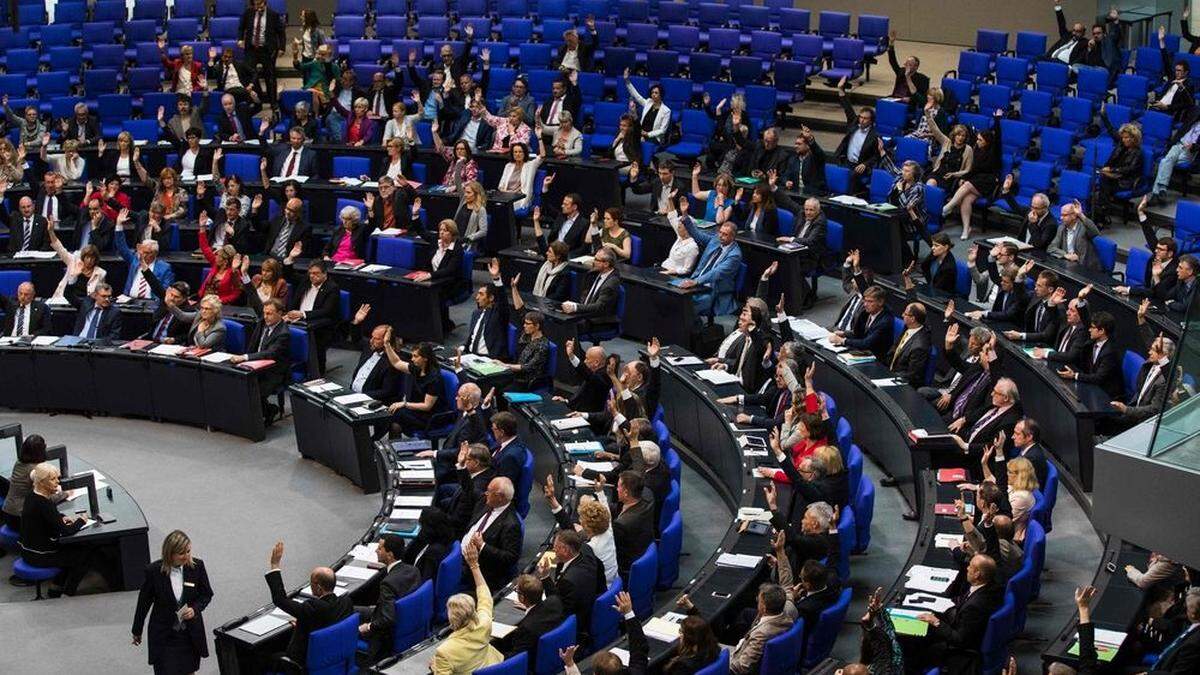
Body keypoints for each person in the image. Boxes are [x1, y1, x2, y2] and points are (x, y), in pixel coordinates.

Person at [131, 530, 214, 675]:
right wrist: (137, 630)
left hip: (189, 635)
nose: (187, 556)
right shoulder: (154, 572)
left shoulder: (197, 567)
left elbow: (206, 594)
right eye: (182, 553)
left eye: (188, 551)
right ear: (170, 554)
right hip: (164, 636)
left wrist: (195, 609)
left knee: (189, 671)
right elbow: (143, 603)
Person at [264, 541, 353, 668]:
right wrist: (303, 623)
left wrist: (275, 565)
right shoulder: (345, 602)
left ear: (319, 587)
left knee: (267, 656)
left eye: (311, 582)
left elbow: (280, 600)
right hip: (335, 657)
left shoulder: (312, 608)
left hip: (305, 661)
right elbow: (328, 621)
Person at [913, 554, 1005, 673]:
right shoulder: (992, 588)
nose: (967, 568)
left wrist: (935, 622)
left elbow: (959, 640)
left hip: (960, 651)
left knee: (918, 645)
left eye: (970, 567)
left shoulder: (975, 606)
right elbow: (963, 599)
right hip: (970, 632)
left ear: (977, 574)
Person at [19, 462, 93, 596]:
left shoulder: (31, 496)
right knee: (84, 554)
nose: (57, 482)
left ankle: (56, 587)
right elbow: (65, 531)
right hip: (41, 555)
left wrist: (61, 517)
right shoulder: (45, 504)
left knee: (72, 550)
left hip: (27, 551)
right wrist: (81, 520)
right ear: (42, 482)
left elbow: (48, 518)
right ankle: (68, 592)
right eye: (52, 479)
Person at [432, 539, 503, 674]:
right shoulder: (484, 623)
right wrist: (474, 565)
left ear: (453, 620)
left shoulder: (445, 651)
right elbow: (485, 596)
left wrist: (435, 667)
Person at [356, 534, 421, 663]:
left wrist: (368, 626)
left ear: (390, 555)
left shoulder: (387, 583)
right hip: (408, 622)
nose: (376, 551)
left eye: (380, 549)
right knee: (352, 609)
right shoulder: (413, 570)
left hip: (384, 635)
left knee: (347, 616)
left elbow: (387, 619)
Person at [231, 290, 291, 424]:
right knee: (235, 382)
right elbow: (253, 346)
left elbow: (270, 354)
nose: (266, 316)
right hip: (255, 365)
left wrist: (245, 357)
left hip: (273, 371)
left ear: (280, 314)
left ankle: (269, 410)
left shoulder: (283, 333)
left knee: (254, 389)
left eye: (269, 313)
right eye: (264, 313)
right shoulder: (262, 323)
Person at [537, 529, 605, 646]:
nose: (553, 550)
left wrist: (545, 577)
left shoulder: (569, 581)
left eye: (556, 547)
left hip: (575, 626)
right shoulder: (585, 550)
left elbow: (556, 606)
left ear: (565, 550)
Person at [944, 110, 1004, 239]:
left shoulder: (995, 151)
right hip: (976, 181)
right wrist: (964, 177)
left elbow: (998, 137)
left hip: (989, 182)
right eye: (977, 139)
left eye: (980, 140)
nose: (977, 142)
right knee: (966, 200)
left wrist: (997, 120)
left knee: (966, 185)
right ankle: (966, 229)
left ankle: (948, 207)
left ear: (987, 141)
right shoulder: (976, 150)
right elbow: (973, 170)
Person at [461, 476, 523, 590]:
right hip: (461, 554)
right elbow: (469, 489)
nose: (486, 493)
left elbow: (510, 558)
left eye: (489, 491)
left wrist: (483, 546)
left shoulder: (511, 524)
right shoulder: (487, 503)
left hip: (477, 569)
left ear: (499, 497)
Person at [492, 574, 566, 666]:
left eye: (516, 591)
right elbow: (551, 597)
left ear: (522, 598)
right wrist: (528, 608)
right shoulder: (554, 602)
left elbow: (517, 658)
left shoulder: (526, 628)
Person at [679, 220, 743, 318]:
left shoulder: (735, 255)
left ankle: (694, 328)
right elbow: (698, 235)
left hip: (713, 291)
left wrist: (696, 282)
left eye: (725, 234)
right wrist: (686, 218)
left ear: (733, 237)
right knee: (674, 296)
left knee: (686, 305)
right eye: (720, 232)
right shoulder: (715, 240)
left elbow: (717, 273)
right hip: (697, 282)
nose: (720, 236)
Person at [383, 339, 446, 437]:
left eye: (416, 356)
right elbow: (396, 363)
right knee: (395, 424)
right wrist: (387, 345)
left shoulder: (434, 378)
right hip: (415, 411)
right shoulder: (417, 368)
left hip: (429, 417)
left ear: (425, 358)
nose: (412, 359)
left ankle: (373, 440)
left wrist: (404, 404)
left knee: (394, 413)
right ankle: (390, 449)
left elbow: (427, 406)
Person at [949, 378, 1023, 461]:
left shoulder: (1010, 421)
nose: (991, 394)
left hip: (974, 456)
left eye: (995, 392)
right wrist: (963, 420)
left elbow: (994, 447)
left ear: (1006, 398)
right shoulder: (996, 404)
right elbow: (979, 413)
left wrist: (965, 446)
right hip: (964, 437)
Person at [729, 584, 793, 675]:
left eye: (758, 600)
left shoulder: (761, 634)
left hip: (735, 662)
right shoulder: (787, 618)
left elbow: (742, 667)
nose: (757, 602)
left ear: (764, 607)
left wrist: (720, 666)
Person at [600, 470, 655, 575]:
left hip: (624, 563)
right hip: (640, 546)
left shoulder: (622, 524)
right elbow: (618, 508)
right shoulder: (647, 495)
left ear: (626, 493)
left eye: (618, 486)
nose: (616, 489)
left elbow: (607, 542)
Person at [1057, 310, 1123, 398]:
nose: (1089, 330)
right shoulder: (1092, 342)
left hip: (1106, 394)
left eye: (1092, 327)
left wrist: (1074, 375)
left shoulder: (1110, 352)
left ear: (1101, 331)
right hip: (1093, 386)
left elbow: (1098, 378)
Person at [1094, 116, 1144, 226]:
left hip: (1125, 180)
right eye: (1123, 137)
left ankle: (1101, 214)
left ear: (1134, 139)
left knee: (1104, 182)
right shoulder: (1121, 146)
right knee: (1102, 180)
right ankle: (1101, 213)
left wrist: (1111, 169)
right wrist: (1104, 116)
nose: (1125, 140)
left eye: (1128, 138)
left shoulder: (1137, 153)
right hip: (1114, 176)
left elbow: (1129, 169)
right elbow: (1112, 131)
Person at [562, 248, 622, 332]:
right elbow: (585, 295)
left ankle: (573, 345)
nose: (593, 261)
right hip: (587, 314)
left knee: (567, 328)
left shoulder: (611, 283)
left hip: (599, 321)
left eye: (596, 259)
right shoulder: (594, 273)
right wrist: (577, 306)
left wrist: (576, 307)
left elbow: (599, 307)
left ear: (606, 264)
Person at [1, 435, 54, 528]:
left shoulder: (18, 463)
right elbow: (45, 497)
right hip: (21, 517)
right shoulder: (37, 470)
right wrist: (66, 494)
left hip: (7, 512)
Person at [829, 286, 894, 361]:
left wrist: (842, 341)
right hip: (864, 351)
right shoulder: (866, 313)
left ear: (880, 302)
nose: (865, 304)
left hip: (876, 357)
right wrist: (844, 333)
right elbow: (860, 333)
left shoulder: (885, 321)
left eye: (870, 301)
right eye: (865, 301)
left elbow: (866, 343)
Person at [833, 78, 882, 178]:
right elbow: (847, 107)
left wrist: (865, 164)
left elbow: (876, 155)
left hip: (859, 167)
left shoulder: (875, 135)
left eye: (865, 118)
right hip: (845, 162)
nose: (862, 120)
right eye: (861, 117)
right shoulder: (854, 123)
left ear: (871, 120)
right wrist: (840, 89)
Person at [239, 0, 285, 101]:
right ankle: (256, 98)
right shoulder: (248, 13)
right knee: (249, 74)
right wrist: (240, 39)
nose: (257, 7)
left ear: (265, 3)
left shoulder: (273, 15)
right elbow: (241, 28)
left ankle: (273, 101)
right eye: (255, 4)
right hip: (252, 49)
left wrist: (282, 47)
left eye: (259, 4)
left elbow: (281, 32)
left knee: (270, 76)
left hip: (267, 50)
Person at [997, 176, 1056, 250]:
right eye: (1032, 206)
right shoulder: (1030, 211)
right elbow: (1015, 207)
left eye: (1036, 208)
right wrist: (1006, 190)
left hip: (1035, 253)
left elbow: (1039, 244)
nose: (1033, 210)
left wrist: (1034, 224)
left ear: (1046, 208)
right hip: (1022, 247)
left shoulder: (1051, 224)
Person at [706, 95, 756, 175]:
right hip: (726, 139)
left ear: (737, 103)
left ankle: (722, 171)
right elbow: (716, 117)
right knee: (711, 151)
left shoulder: (744, 116)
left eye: (732, 101)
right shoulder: (729, 112)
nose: (731, 103)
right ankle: (713, 171)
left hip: (735, 143)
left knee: (714, 147)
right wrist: (707, 106)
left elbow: (744, 134)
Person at [534, 182, 588, 255]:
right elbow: (547, 206)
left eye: (566, 204)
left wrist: (569, 256)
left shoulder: (583, 224)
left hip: (567, 254)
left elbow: (583, 248)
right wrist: (545, 187)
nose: (562, 206)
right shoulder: (561, 216)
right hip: (552, 250)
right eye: (563, 203)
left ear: (574, 207)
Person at [885, 302, 932, 385]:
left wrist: (887, 378)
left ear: (913, 319)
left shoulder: (919, 346)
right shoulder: (910, 327)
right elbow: (921, 314)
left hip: (900, 382)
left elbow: (912, 376)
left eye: (905, 314)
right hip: (888, 369)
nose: (902, 315)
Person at [403, 508, 456, 582]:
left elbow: (424, 582)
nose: (420, 529)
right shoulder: (441, 537)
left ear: (428, 527)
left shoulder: (433, 552)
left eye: (422, 526)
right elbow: (408, 553)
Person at [926, 111, 973, 192]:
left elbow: (967, 170)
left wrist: (954, 174)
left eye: (963, 136)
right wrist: (928, 115)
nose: (960, 138)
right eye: (958, 135)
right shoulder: (946, 142)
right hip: (938, 173)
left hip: (952, 178)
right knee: (930, 185)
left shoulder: (968, 149)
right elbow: (935, 130)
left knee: (939, 192)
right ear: (954, 135)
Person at [1048, 201, 1102, 271]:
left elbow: (1095, 232)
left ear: (1073, 216)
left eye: (1065, 215)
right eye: (1061, 215)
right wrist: (1065, 255)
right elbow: (1051, 248)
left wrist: (1080, 214)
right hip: (1069, 265)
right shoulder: (1061, 228)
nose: (1061, 218)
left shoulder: (1083, 227)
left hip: (1086, 267)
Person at [624, 69, 671, 145]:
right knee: (625, 135)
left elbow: (662, 130)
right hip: (641, 133)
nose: (653, 94)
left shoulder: (666, 111)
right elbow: (636, 95)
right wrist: (627, 81)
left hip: (653, 137)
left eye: (656, 93)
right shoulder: (648, 103)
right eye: (652, 92)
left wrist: (647, 134)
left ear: (661, 95)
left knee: (639, 142)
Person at [886, 29, 930, 107]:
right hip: (895, 98)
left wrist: (911, 99)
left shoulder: (923, 79)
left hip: (908, 103)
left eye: (909, 64)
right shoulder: (901, 71)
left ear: (916, 67)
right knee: (881, 102)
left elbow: (922, 99)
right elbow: (892, 61)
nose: (906, 66)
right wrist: (891, 43)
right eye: (906, 63)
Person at [432, 126, 480, 193]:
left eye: (462, 149)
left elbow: (472, 183)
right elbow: (441, 149)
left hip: (458, 194)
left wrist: (455, 187)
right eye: (457, 149)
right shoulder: (454, 159)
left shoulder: (470, 164)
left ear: (467, 151)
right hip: (444, 190)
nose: (459, 151)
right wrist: (434, 133)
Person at [661, 194, 701, 276]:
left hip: (673, 275)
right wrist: (670, 200)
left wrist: (673, 271)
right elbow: (672, 216)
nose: (678, 225)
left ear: (688, 228)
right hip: (663, 267)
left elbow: (687, 270)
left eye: (681, 224)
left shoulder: (693, 247)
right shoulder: (680, 236)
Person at [497, 142, 541, 213]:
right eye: (515, 152)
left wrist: (539, 138)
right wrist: (508, 192)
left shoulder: (530, 165)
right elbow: (500, 186)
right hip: (506, 195)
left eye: (520, 152)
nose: (517, 154)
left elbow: (542, 156)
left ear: (524, 153)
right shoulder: (508, 166)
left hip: (520, 197)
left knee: (505, 209)